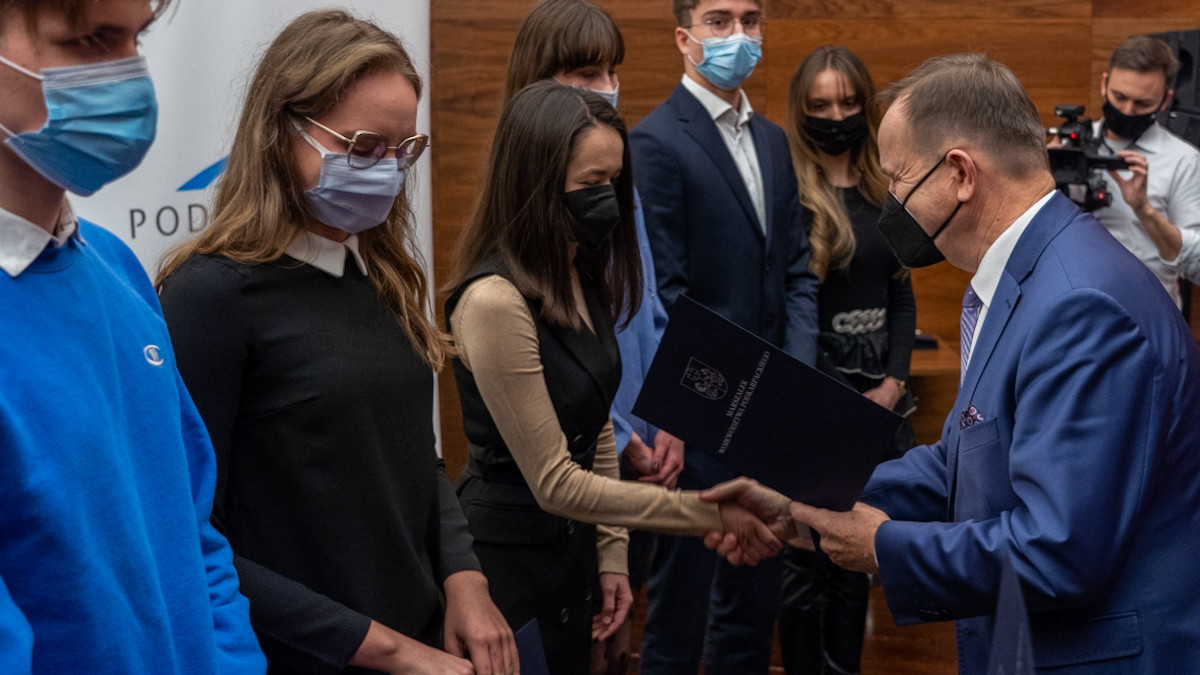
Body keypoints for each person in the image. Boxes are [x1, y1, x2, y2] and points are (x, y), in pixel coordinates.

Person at [706, 53, 1200, 673]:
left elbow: (1061, 552)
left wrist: (883, 547)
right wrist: (801, 499)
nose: (891, 201)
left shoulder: (1081, 306)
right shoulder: (1032, 275)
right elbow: (965, 463)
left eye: (899, 178)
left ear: (961, 173)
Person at [155, 10, 516, 675]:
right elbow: (188, 535)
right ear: (281, 131)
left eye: (403, 149)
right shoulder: (210, 296)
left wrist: (466, 579)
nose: (387, 170)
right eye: (363, 146)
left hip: (421, 640)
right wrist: (387, 649)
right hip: (306, 655)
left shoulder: (379, 274)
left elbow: (413, 455)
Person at [445, 79, 787, 675]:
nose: (607, 199)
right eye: (591, 184)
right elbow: (555, 482)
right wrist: (712, 514)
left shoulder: (579, 271)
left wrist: (610, 557)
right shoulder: (494, 301)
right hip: (509, 562)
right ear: (535, 184)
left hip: (572, 550)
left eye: (614, 182)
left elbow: (596, 419)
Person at [0, 0, 265, 672]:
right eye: (92, 40)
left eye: (135, 40)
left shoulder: (115, 267)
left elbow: (190, 526)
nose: (130, 76)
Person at [628, 0, 819, 671]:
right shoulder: (654, 142)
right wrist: (715, 403)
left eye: (750, 19)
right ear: (685, 38)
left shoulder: (772, 140)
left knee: (753, 610)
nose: (738, 34)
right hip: (700, 411)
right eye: (719, 20)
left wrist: (791, 381)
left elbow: (796, 273)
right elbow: (666, 294)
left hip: (773, 413)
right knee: (680, 615)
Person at [503, 2, 684, 671]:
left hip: (645, 456)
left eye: (611, 71)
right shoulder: (530, 197)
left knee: (619, 639)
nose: (606, 87)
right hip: (578, 467)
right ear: (539, 80)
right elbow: (559, 355)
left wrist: (670, 418)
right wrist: (627, 436)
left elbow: (648, 310)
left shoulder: (612, 183)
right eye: (586, 73)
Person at [777, 45, 915, 675]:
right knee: (807, 558)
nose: (837, 116)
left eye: (849, 102)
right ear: (802, 111)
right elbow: (794, 313)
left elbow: (901, 294)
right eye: (821, 105)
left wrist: (893, 382)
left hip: (880, 403)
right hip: (818, 400)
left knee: (857, 553)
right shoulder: (793, 195)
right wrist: (840, 399)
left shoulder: (886, 190)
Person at [1090, 35, 1200, 309]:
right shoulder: (1070, 148)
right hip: (1075, 311)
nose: (1128, 110)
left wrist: (1145, 210)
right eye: (1119, 97)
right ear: (1104, 84)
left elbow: (1197, 266)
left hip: (1147, 315)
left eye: (1142, 104)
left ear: (1165, 100)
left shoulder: (1183, 160)